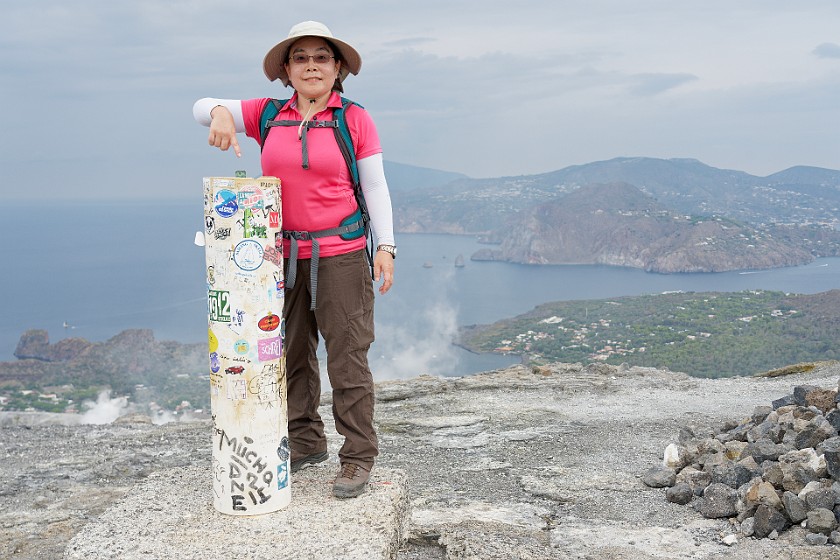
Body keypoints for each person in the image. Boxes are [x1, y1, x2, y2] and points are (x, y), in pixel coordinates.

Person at [193, 21, 395, 499]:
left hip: (341, 255)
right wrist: (221, 112)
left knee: (347, 357)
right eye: (300, 57)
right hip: (278, 256)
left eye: (321, 57)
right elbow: (199, 108)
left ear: (337, 67)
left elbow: (376, 186)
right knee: (291, 352)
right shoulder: (268, 114)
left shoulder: (353, 118)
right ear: (286, 69)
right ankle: (305, 442)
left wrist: (385, 246)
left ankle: (358, 458)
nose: (311, 65)